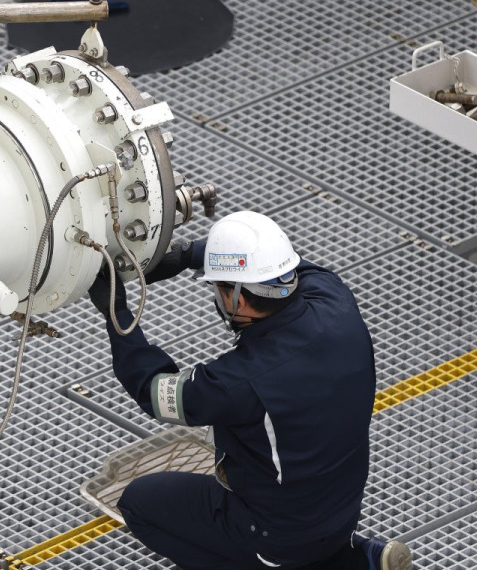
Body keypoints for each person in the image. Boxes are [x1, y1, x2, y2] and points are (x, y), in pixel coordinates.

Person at [88, 211, 411, 569]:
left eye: (217, 288)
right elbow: (285, 266)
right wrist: (189, 255)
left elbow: (154, 391)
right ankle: (357, 557)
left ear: (237, 301)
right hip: (342, 511)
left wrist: (117, 312)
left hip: (277, 536)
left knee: (139, 502)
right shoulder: (334, 299)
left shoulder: (237, 381)